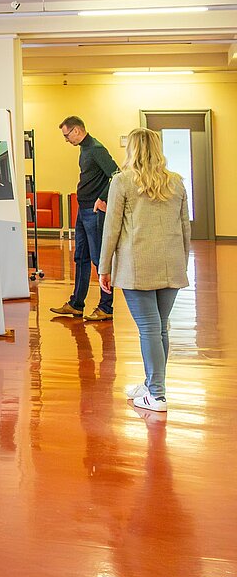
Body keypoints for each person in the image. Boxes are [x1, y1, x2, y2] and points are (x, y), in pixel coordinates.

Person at [98, 127, 190, 413]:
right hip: (171, 264)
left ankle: (157, 394)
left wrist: (104, 267)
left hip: (136, 266)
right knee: (159, 328)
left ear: (132, 150)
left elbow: (111, 228)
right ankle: (153, 385)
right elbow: (185, 227)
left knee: (150, 329)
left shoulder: (122, 181)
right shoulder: (176, 182)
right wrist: (181, 262)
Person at [50, 116, 119, 321]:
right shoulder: (84, 148)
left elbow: (116, 174)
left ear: (77, 131)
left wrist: (102, 198)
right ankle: (76, 304)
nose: (66, 140)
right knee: (81, 257)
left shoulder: (96, 149)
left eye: (66, 135)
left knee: (99, 259)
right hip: (83, 210)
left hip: (94, 211)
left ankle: (106, 308)